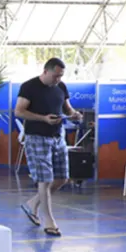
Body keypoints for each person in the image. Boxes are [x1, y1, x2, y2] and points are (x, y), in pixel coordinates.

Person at [14, 58, 83, 237]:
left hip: (58, 137)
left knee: (62, 178)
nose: (57, 79)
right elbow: (19, 111)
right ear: (45, 71)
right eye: (55, 76)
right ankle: (49, 221)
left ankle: (31, 204)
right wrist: (43, 118)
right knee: (44, 180)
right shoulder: (29, 87)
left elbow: (67, 108)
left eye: (60, 76)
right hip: (37, 137)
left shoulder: (61, 87)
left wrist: (74, 115)